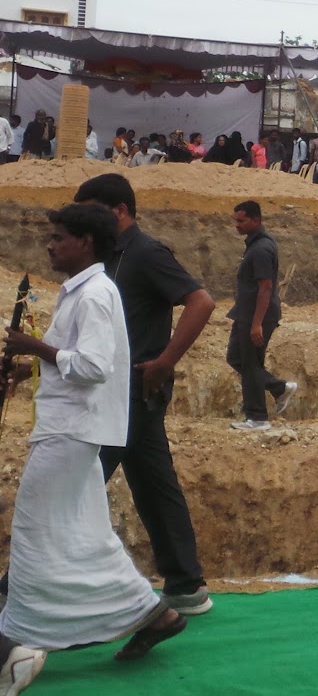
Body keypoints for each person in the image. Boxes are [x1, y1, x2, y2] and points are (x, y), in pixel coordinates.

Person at [0, 203, 187, 668]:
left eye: (59, 237)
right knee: (83, 532)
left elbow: (93, 367)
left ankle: (17, 641)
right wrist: (27, 368)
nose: (50, 244)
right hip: (70, 426)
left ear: (85, 242)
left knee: (33, 528)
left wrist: (34, 346)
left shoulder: (95, 294)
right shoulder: (82, 292)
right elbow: (74, 360)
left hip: (72, 429)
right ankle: (152, 613)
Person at [72, 174, 215, 616]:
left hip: (134, 392)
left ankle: (21, 586)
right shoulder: (111, 255)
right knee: (153, 486)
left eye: (94, 213)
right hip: (118, 392)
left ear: (120, 211)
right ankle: (187, 586)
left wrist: (166, 360)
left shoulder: (147, 253)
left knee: (73, 486)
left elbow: (201, 302)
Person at [226, 201, 296, 432]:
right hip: (246, 313)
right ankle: (279, 388)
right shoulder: (256, 245)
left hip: (257, 316)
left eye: (241, 220)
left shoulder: (261, 250)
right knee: (236, 357)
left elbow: (265, 288)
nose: (236, 225)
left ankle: (257, 417)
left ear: (256, 220)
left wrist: (257, 324)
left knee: (251, 364)